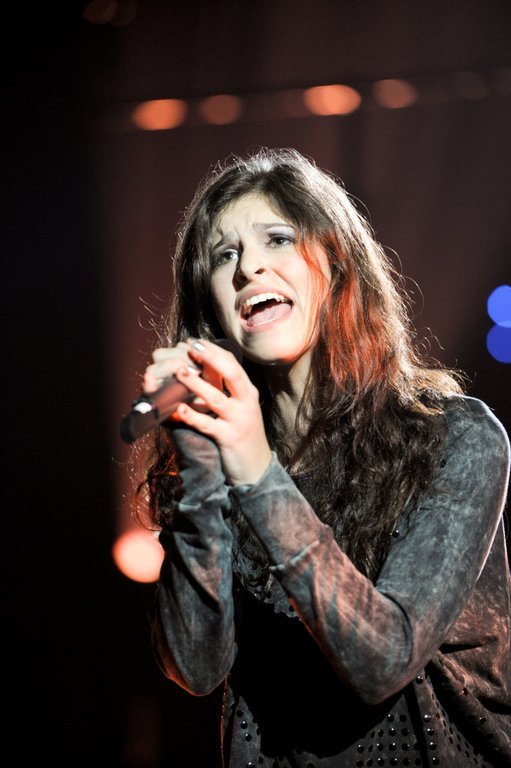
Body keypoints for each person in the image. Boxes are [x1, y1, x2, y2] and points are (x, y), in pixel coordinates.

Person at [134, 147, 511, 768]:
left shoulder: (457, 439)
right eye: (224, 255)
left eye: (277, 239)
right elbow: (196, 667)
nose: (248, 266)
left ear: (336, 265)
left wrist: (257, 472)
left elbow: (383, 660)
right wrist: (200, 465)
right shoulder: (217, 465)